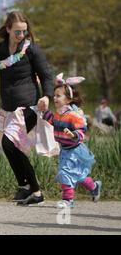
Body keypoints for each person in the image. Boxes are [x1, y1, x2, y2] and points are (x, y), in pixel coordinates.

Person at [0, 11, 54, 206]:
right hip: (8, 107)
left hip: (29, 106)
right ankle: (24, 187)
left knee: (10, 144)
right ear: (8, 29)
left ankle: (36, 191)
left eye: (24, 32)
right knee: (9, 148)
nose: (21, 36)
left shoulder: (31, 49)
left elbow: (46, 74)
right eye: (17, 32)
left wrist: (47, 96)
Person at [43, 75, 102, 208]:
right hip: (65, 149)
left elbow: (82, 130)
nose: (54, 98)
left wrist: (73, 134)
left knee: (65, 172)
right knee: (79, 176)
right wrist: (43, 111)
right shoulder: (59, 113)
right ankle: (94, 187)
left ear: (68, 99)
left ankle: (68, 200)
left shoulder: (73, 115)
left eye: (58, 96)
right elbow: (52, 120)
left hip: (75, 150)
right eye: (54, 95)